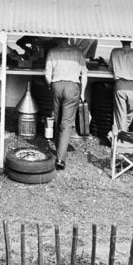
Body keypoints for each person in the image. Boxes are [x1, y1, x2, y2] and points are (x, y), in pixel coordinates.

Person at [44, 39, 88, 170]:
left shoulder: (52, 51)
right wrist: (83, 93)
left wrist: (52, 86)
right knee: (67, 122)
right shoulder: (77, 52)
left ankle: (59, 149)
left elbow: (47, 74)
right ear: (69, 39)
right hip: (72, 86)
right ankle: (60, 159)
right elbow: (84, 74)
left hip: (57, 85)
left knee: (57, 119)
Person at [109, 40, 133, 135]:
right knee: (131, 111)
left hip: (120, 86)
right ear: (131, 40)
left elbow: (110, 67)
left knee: (120, 113)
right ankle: (123, 133)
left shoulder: (114, 52)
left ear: (121, 40)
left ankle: (120, 133)